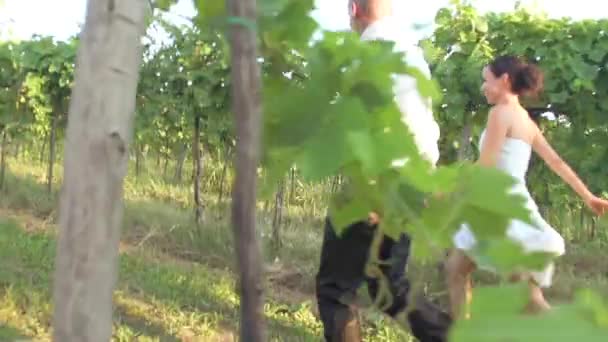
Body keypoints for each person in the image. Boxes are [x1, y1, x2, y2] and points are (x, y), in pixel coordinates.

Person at [314, 0, 451, 341]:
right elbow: (420, 125)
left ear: (354, 8)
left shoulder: (368, 54)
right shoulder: (411, 52)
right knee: (390, 286)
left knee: (337, 288)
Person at [445, 55, 608, 319]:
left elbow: (484, 165)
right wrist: (588, 197)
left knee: (526, 297)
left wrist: (446, 188)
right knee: (457, 269)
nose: (483, 87)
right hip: (512, 204)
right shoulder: (525, 120)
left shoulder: (500, 113)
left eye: (486, 80)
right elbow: (557, 162)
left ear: (505, 80)